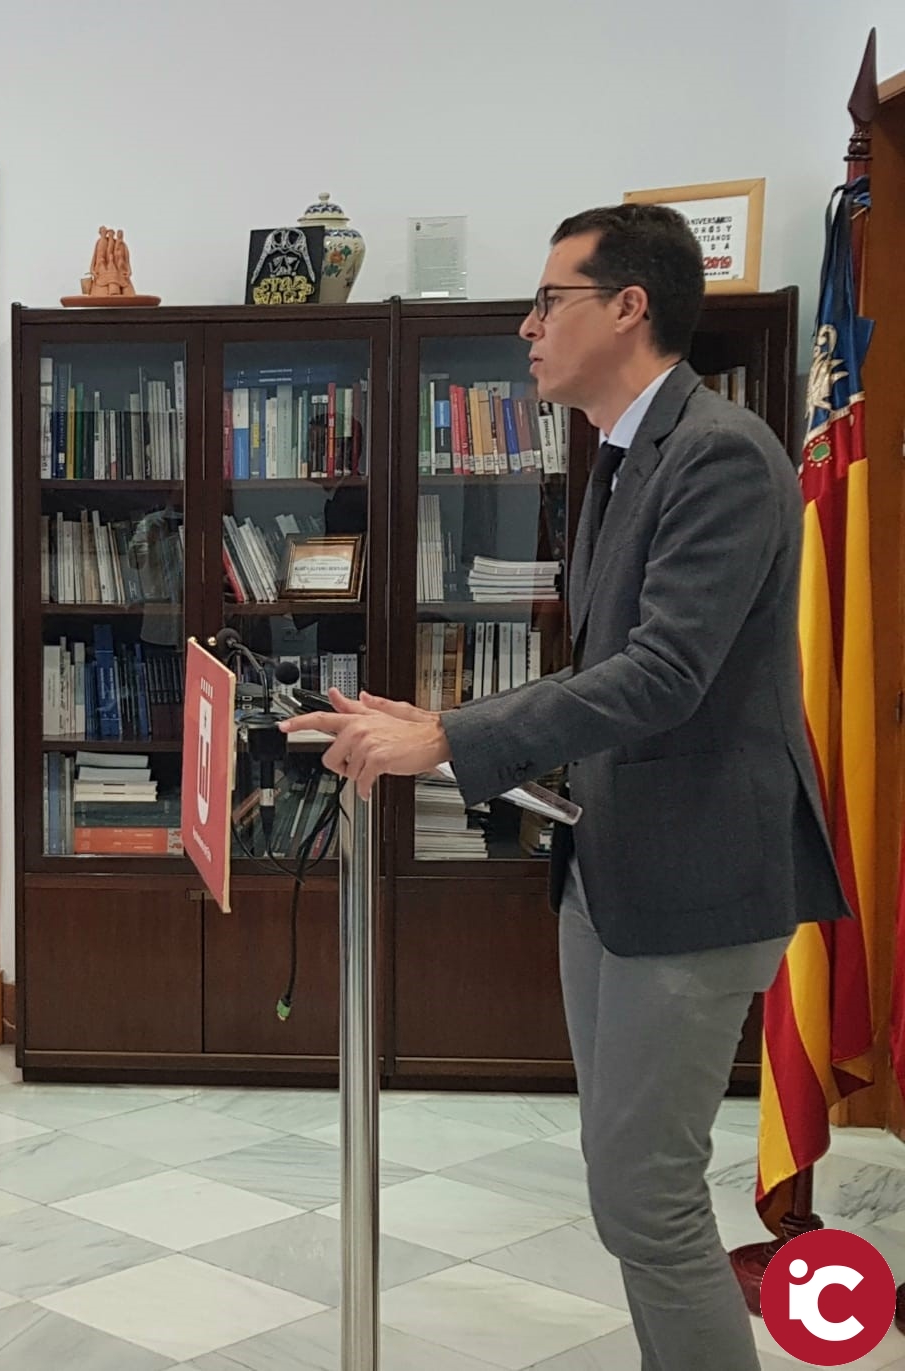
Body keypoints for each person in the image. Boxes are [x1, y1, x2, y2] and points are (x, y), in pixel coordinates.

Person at [280, 203, 846, 1371]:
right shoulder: (621, 454)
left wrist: (451, 738)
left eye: (549, 301)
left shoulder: (718, 454)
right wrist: (438, 724)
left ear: (627, 307)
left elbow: (663, 675)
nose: (526, 328)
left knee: (647, 1199)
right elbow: (602, 668)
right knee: (623, 1189)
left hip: (694, 879)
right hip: (612, 865)